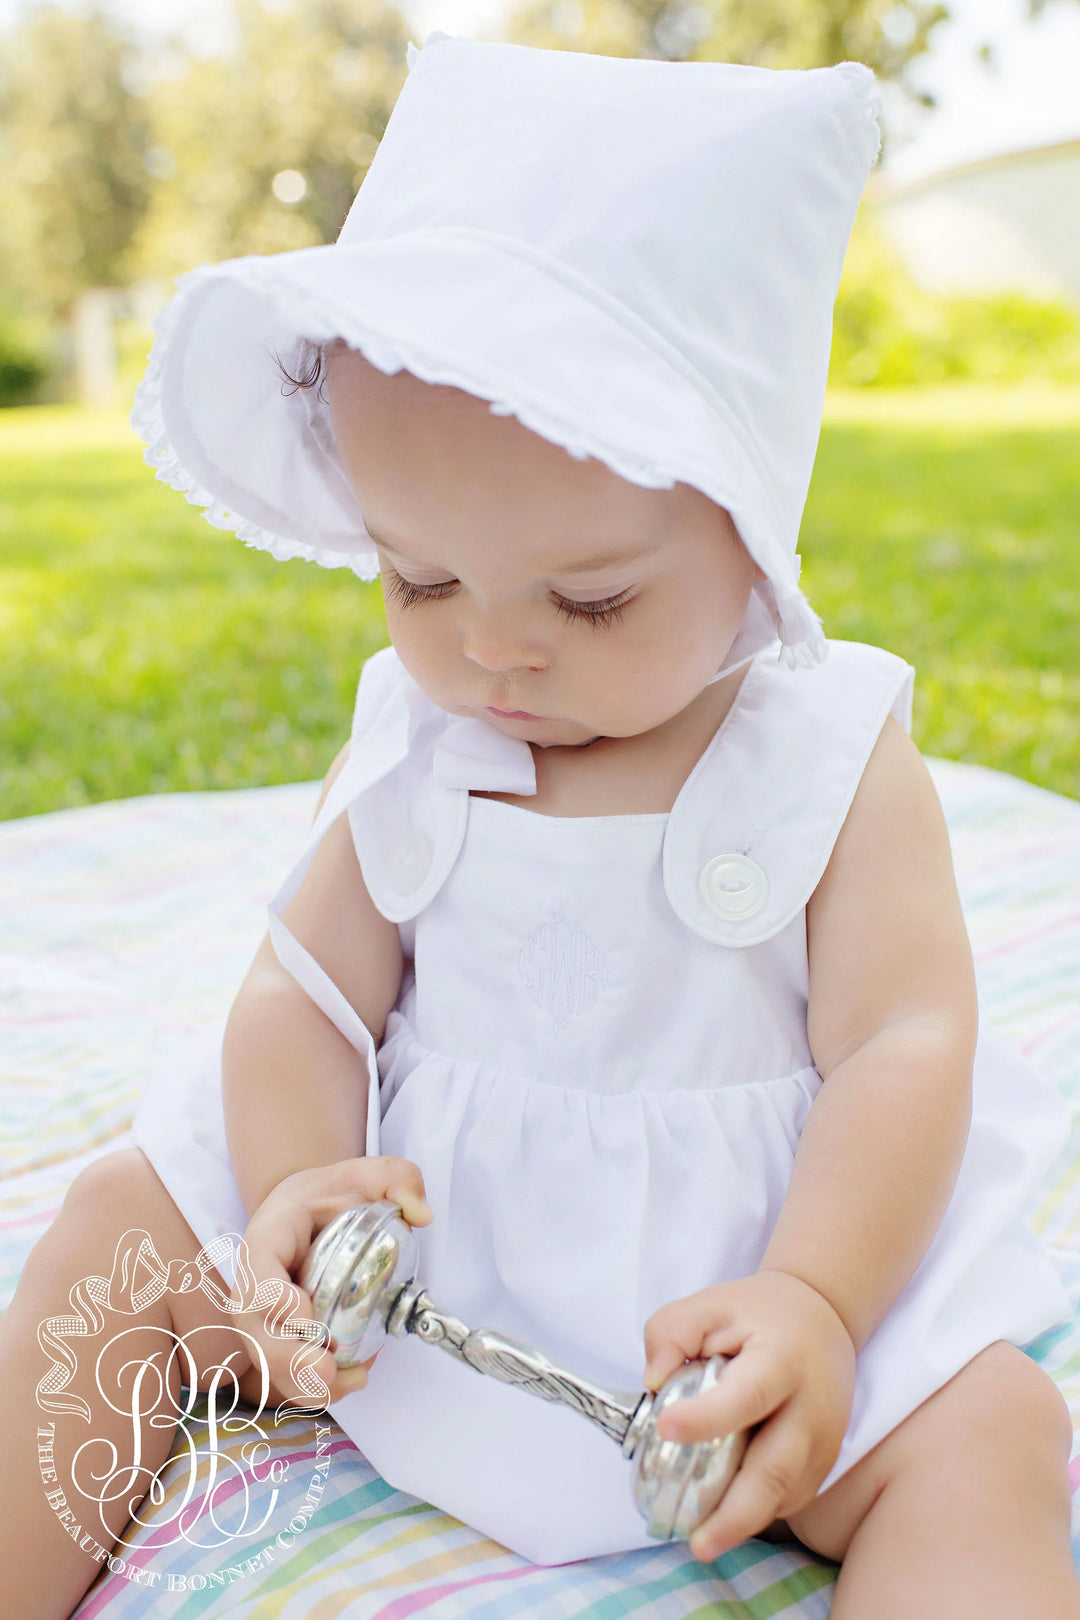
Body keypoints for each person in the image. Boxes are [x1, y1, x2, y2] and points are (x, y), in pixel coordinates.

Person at [1, 30, 1077, 1620]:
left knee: (988, 1434)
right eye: (419, 578)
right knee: (113, 1228)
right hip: (419, 1277)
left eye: (592, 597)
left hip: (743, 1284)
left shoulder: (828, 753)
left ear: (748, 509)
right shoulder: (422, 733)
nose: (495, 650)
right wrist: (305, 1190)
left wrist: (819, 1296)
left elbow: (908, 1040)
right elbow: (303, 990)